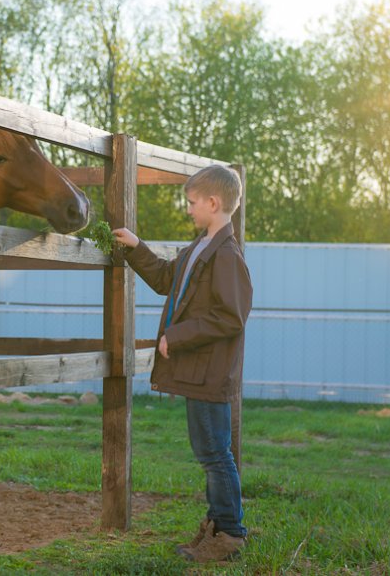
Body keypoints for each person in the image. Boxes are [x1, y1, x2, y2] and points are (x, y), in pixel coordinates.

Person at [112, 164, 252, 563]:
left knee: (214, 454)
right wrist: (136, 246)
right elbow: (164, 280)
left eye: (192, 202)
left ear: (214, 202)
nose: (188, 209)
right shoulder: (198, 248)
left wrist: (177, 335)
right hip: (197, 372)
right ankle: (217, 527)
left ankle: (230, 537)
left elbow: (231, 316)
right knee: (209, 451)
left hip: (209, 372)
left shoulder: (226, 255)